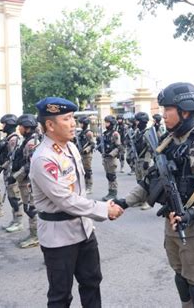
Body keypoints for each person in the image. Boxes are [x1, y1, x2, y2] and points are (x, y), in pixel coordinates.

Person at [114, 82, 194, 307]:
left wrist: (192, 213)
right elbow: (149, 181)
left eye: (167, 110)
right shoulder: (167, 142)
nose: (163, 116)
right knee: (182, 282)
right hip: (172, 229)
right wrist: (123, 202)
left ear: (185, 111)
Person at [30, 96, 124, 308]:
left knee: (92, 283)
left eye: (72, 117)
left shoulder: (70, 147)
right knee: (60, 295)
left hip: (83, 229)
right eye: (67, 119)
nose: (73, 123)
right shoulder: (44, 158)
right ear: (50, 125)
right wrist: (103, 209)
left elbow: (78, 192)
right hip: (59, 237)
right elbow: (65, 199)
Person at [10, 114, 40, 248]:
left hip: (28, 181)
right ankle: (34, 234)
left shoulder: (32, 142)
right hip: (24, 180)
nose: (18, 129)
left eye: (20, 126)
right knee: (28, 207)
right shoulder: (27, 140)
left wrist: (15, 176)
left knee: (31, 208)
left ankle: (36, 236)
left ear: (27, 127)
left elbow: (30, 164)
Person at [0, 114, 24, 233]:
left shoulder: (13, 139)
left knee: (15, 198)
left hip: (12, 172)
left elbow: (11, 158)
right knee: (11, 197)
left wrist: (1, 167)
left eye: (4, 124)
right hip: (8, 171)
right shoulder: (8, 137)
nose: (3, 126)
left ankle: (19, 222)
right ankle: (15, 220)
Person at [97, 115, 121, 200]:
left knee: (112, 176)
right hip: (105, 158)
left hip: (111, 158)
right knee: (108, 175)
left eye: (107, 122)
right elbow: (102, 145)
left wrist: (111, 154)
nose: (105, 124)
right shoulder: (105, 133)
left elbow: (119, 147)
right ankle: (110, 192)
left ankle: (114, 194)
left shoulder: (115, 134)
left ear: (111, 123)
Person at [76, 116, 95, 194]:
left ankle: (89, 187)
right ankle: (84, 186)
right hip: (80, 154)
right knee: (82, 171)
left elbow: (93, 144)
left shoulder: (88, 133)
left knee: (88, 171)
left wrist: (86, 150)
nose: (79, 125)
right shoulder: (80, 133)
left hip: (87, 155)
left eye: (80, 123)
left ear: (84, 124)